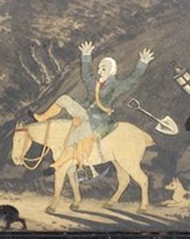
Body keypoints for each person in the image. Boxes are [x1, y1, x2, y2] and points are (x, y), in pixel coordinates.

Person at [30, 41, 155, 177]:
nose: (99, 71)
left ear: (112, 71)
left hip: (98, 121)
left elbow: (131, 80)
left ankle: (55, 166)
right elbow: (86, 76)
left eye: (103, 69)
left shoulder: (117, 86)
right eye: (100, 68)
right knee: (64, 99)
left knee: (74, 138)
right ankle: (41, 117)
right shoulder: (95, 84)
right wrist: (86, 55)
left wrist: (142, 63)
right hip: (84, 112)